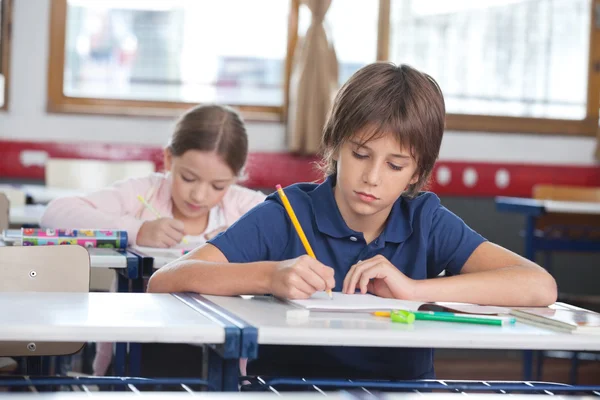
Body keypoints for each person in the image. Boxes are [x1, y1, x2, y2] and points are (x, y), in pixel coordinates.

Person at [147, 63, 557, 381]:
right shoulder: (290, 211)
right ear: (334, 146)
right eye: (360, 154)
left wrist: (413, 289)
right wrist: (269, 277)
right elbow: (167, 278)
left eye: (395, 164)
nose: (372, 177)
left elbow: (539, 285)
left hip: (402, 391)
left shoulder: (424, 220)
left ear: (416, 173)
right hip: (293, 391)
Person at [41, 104, 266, 375]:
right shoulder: (145, 192)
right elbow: (55, 214)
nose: (199, 195)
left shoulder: (244, 206)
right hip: (137, 348)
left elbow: (293, 245)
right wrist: (138, 230)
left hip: (219, 351)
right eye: (188, 178)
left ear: (235, 178)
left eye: (218, 186)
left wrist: (239, 244)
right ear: (169, 160)